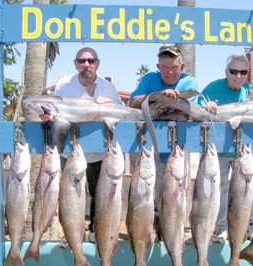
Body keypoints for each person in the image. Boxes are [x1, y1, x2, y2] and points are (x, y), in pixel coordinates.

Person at [54, 47, 124, 245]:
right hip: (70, 152)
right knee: (69, 196)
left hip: (97, 154)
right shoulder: (64, 84)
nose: (87, 65)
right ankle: (71, 234)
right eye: (82, 61)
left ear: (97, 63)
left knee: (98, 195)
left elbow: (120, 113)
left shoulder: (106, 87)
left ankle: (96, 231)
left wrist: (108, 104)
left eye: (91, 61)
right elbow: (57, 114)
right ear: (75, 64)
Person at [128, 45, 199, 238]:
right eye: (165, 68)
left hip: (177, 152)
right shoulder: (149, 79)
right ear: (158, 66)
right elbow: (133, 102)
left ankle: (175, 233)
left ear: (182, 67)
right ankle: (154, 231)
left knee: (177, 197)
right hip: (151, 152)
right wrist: (159, 96)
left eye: (174, 68)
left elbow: (190, 114)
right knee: (149, 195)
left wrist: (158, 110)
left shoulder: (189, 82)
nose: (170, 72)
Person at [201, 54, 253, 244]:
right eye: (234, 71)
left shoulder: (252, 91)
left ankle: (250, 226)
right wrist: (205, 106)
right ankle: (222, 228)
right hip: (220, 151)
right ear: (226, 72)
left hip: (244, 153)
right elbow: (196, 110)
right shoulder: (213, 88)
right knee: (219, 189)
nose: (238, 76)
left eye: (243, 72)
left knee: (248, 190)